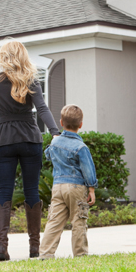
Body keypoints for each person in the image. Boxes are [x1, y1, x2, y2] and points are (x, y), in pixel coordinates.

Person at [0, 39, 60, 261]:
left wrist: (2, 132)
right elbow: (42, 109)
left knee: (4, 191)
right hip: (29, 138)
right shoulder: (31, 81)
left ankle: (2, 247)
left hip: (2, 140)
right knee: (32, 191)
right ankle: (34, 248)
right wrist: (54, 132)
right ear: (23, 56)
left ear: (3, 57)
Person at [38, 104, 97, 259]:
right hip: (76, 187)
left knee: (54, 220)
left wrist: (54, 141)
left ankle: (45, 253)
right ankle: (80, 254)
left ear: (61, 123)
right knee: (78, 220)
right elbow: (88, 170)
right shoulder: (81, 147)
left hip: (57, 187)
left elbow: (48, 155)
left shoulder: (55, 142)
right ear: (81, 125)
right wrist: (91, 189)